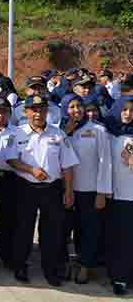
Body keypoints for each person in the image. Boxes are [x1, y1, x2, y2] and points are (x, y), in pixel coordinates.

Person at [10, 95, 79, 286]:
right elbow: (10, 159)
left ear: (47, 111)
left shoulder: (58, 134)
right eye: (34, 109)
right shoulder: (18, 133)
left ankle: (51, 270)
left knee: (52, 232)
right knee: (23, 229)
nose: (38, 113)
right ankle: (21, 266)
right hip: (26, 188)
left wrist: (69, 191)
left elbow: (67, 166)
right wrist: (30, 169)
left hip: (52, 189)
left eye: (42, 109)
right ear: (26, 112)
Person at [59, 94, 112, 284]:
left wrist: (102, 192)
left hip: (90, 191)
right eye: (71, 107)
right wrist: (65, 132)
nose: (77, 110)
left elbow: (105, 162)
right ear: (65, 110)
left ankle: (85, 265)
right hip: (67, 190)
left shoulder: (97, 130)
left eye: (79, 106)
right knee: (65, 229)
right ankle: (65, 263)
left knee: (89, 230)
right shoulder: (59, 132)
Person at [0, 96, 26, 270]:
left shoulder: (18, 132)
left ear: (10, 113)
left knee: (8, 219)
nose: (0, 115)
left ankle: (7, 255)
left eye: (4, 111)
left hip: (9, 179)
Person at [107, 97, 133, 295]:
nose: (128, 114)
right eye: (124, 109)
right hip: (119, 195)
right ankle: (120, 277)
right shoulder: (109, 134)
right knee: (121, 239)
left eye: (132, 110)